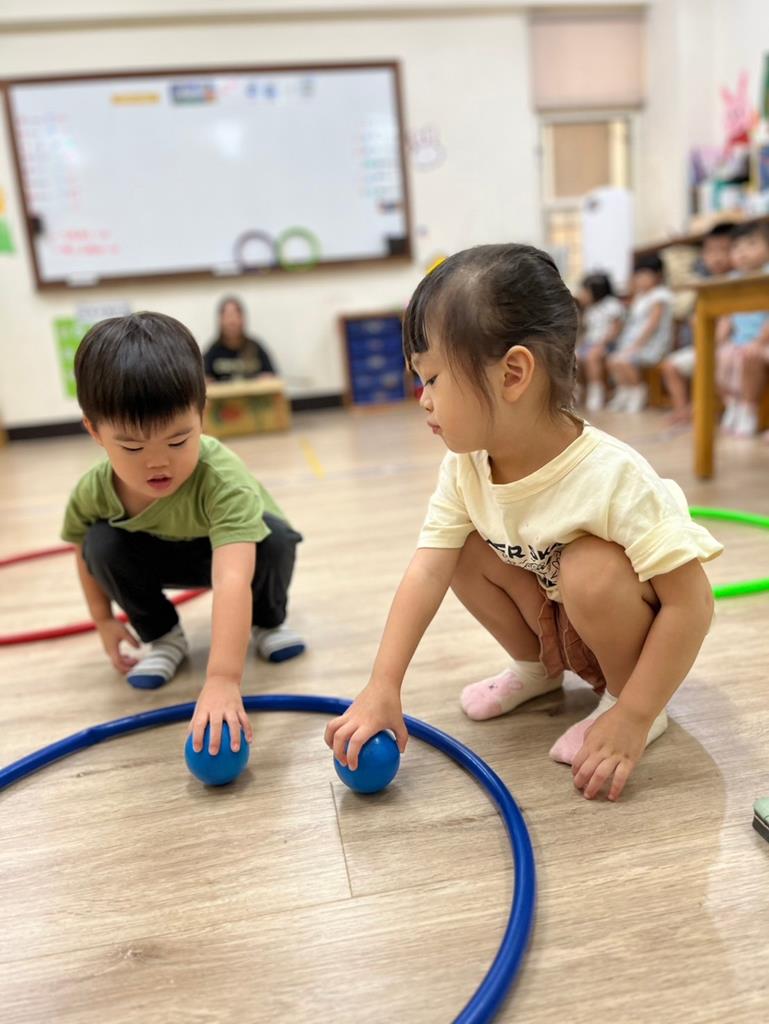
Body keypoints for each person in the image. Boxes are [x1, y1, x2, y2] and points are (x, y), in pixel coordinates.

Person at [324, 244, 721, 802]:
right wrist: (382, 684)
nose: (422, 399)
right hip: (561, 618)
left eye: (432, 379)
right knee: (459, 547)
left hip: (626, 637)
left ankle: (624, 697)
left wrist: (634, 714)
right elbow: (427, 570)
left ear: (513, 373)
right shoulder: (466, 467)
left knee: (590, 568)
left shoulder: (613, 476)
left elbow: (693, 604)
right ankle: (536, 671)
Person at [62, 312, 305, 756]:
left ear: (201, 414)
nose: (158, 462)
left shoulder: (221, 478)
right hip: (163, 556)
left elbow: (232, 577)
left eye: (178, 441)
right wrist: (103, 620)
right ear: (94, 431)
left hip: (236, 555)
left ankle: (268, 621)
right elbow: (80, 549)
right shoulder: (94, 490)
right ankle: (163, 636)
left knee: (273, 540)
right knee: (100, 543)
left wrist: (223, 678)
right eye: (132, 447)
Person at [660, 222, 735, 425]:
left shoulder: (736, 283)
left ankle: (710, 408)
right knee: (670, 366)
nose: (717, 258)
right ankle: (682, 410)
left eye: (724, 250)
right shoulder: (705, 286)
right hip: (706, 345)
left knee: (711, 364)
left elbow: (728, 322)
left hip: (726, 346)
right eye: (710, 252)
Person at [715, 220, 769, 437]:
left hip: (762, 340)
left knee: (749, 356)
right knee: (719, 357)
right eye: (736, 247)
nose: (743, 251)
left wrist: (759, 341)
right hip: (740, 341)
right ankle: (732, 403)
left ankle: (748, 408)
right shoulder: (732, 280)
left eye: (751, 244)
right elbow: (726, 315)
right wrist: (719, 339)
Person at [607, 255, 673, 413]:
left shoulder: (660, 295)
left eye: (646, 275)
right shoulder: (640, 296)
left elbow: (652, 325)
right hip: (635, 343)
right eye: (638, 275)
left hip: (652, 344)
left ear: (658, 276)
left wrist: (635, 346)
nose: (641, 279)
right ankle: (625, 390)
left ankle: (638, 390)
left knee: (624, 361)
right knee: (612, 360)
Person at [575, 272, 625, 413]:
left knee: (592, 357)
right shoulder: (590, 308)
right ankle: (578, 389)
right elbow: (587, 331)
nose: (583, 294)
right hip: (590, 342)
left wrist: (602, 344)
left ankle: (596, 391)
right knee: (574, 357)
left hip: (608, 344)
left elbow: (616, 328)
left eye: (586, 290)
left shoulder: (612, 305)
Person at [204, 296, 277, 381]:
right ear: (220, 320)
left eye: (236, 316)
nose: (232, 322)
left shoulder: (255, 348)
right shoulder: (212, 352)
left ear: (243, 319)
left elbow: (273, 377)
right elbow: (202, 380)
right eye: (227, 316)